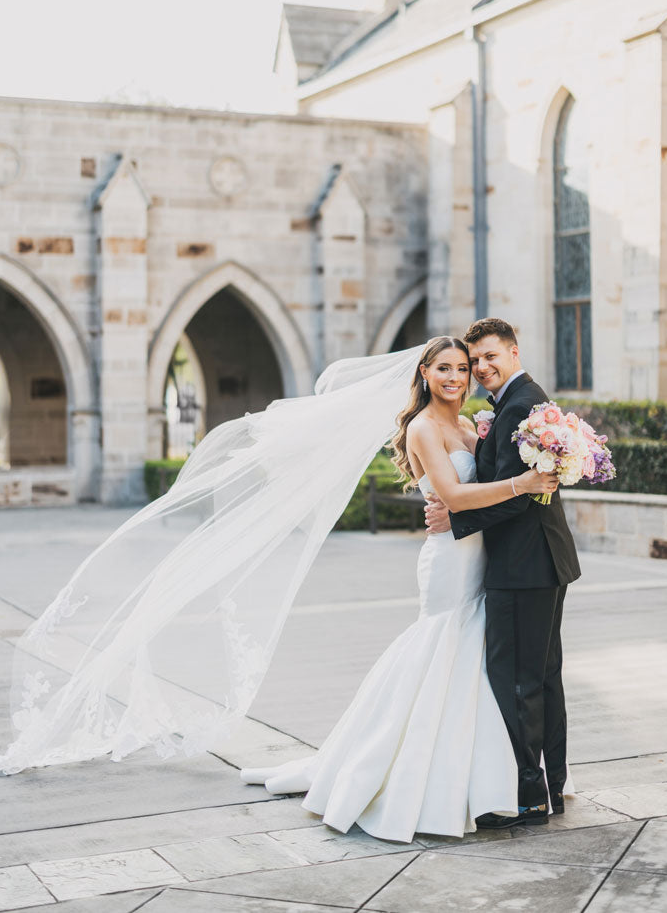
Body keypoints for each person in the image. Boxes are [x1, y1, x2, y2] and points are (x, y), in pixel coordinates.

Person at [240, 336, 559, 841]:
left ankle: (482, 782)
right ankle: (405, 771)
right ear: (425, 374)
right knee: (438, 650)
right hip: (450, 561)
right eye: (445, 369)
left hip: (481, 554)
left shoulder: (467, 424)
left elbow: (483, 482)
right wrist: (524, 484)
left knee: (473, 663)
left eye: (463, 368)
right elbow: (453, 494)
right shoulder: (423, 427)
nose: (457, 377)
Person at [425, 318, 581, 828]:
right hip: (539, 560)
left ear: (514, 352)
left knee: (517, 680)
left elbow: (520, 494)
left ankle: (529, 795)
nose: (481, 368)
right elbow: (516, 483)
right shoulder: (521, 404)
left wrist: (457, 517)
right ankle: (552, 783)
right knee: (543, 677)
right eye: (476, 362)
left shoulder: (519, 406)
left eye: (490, 357)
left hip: (521, 565)